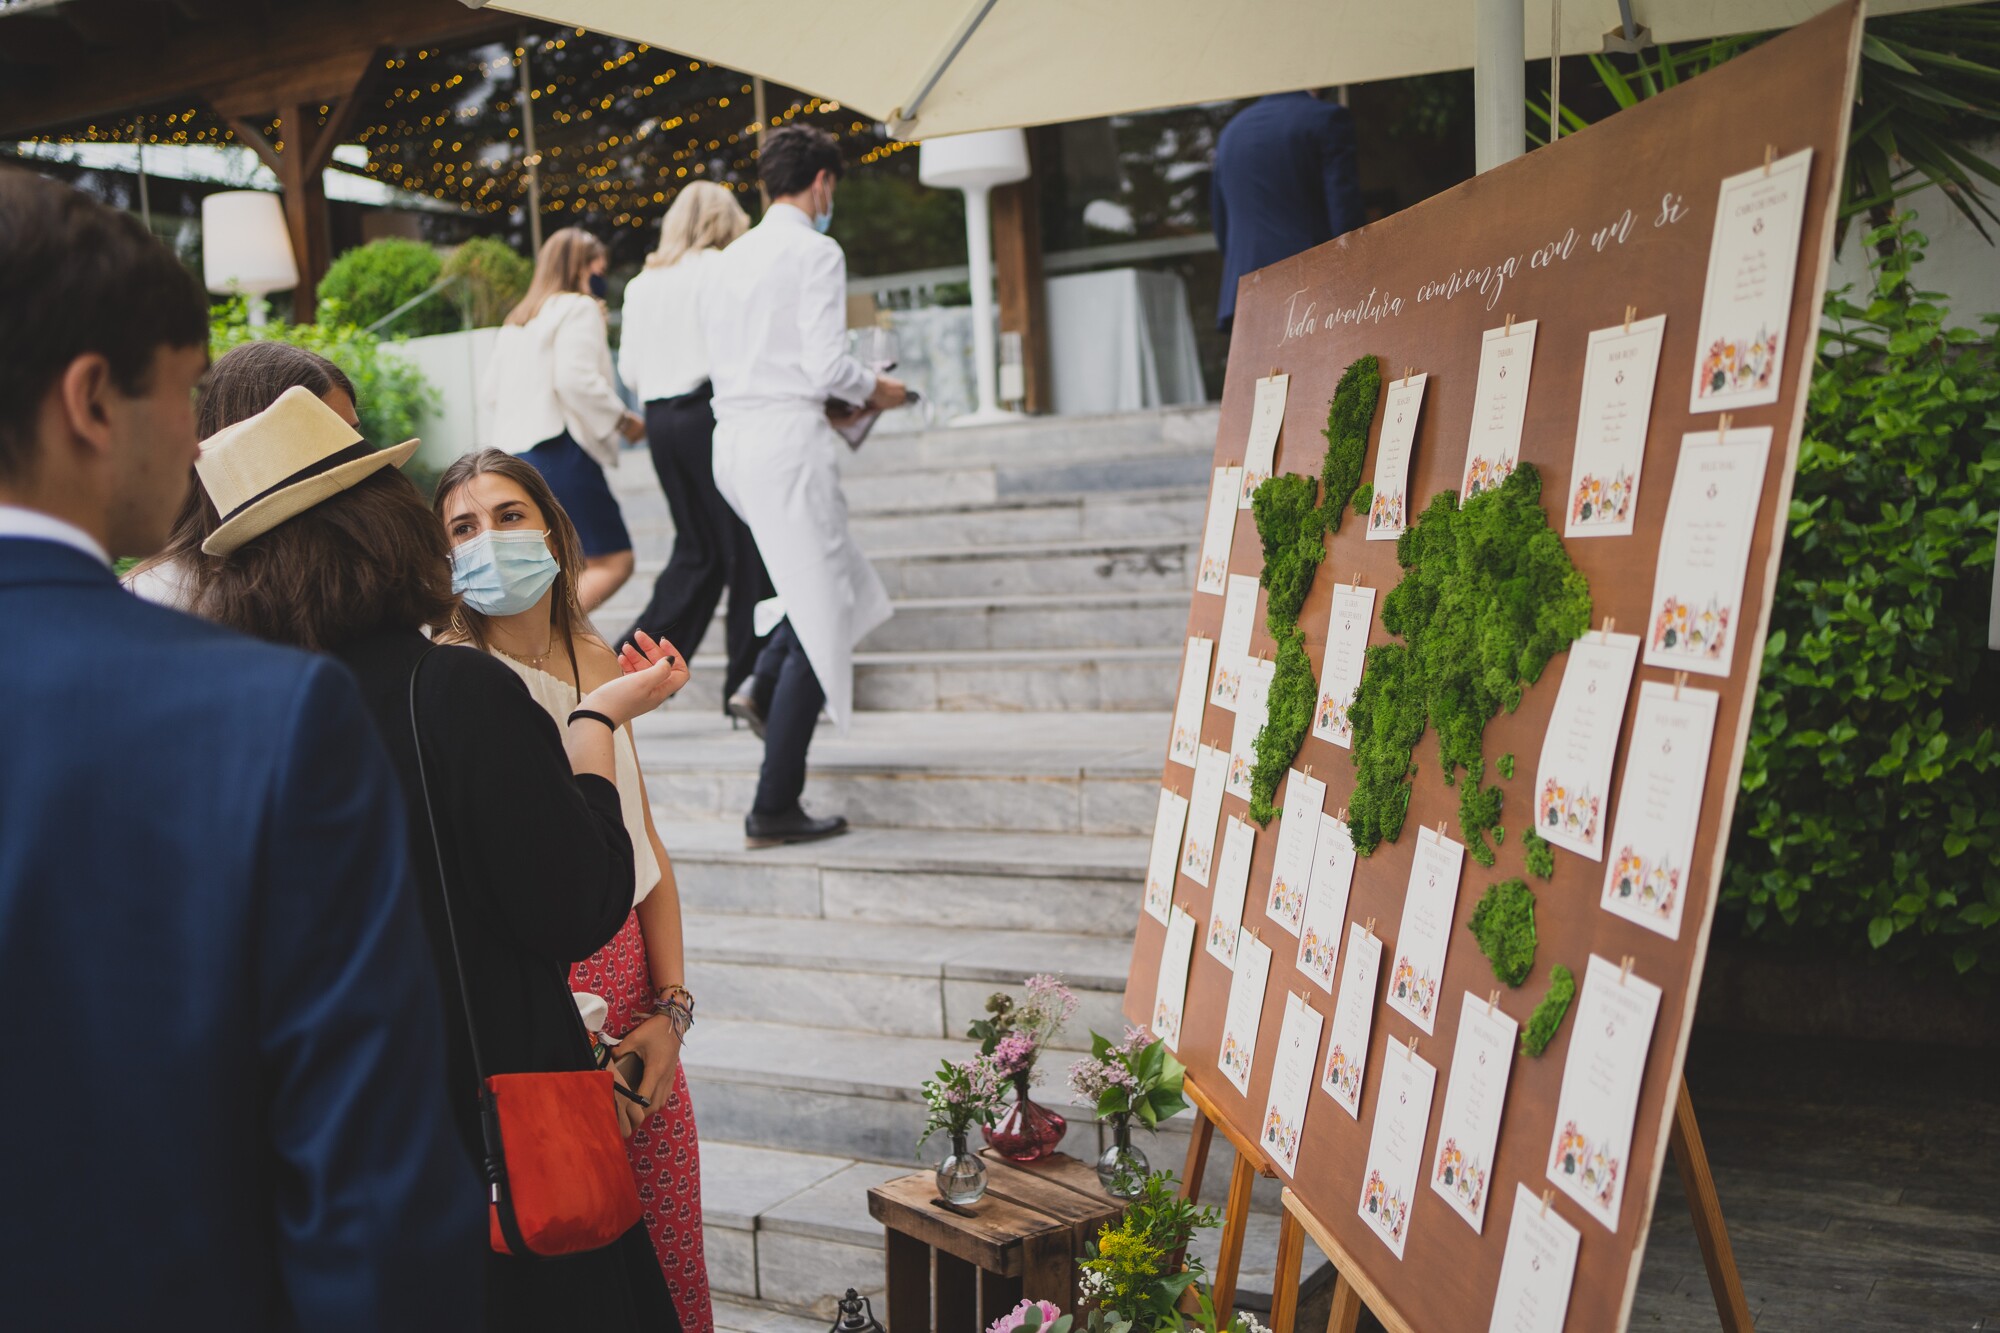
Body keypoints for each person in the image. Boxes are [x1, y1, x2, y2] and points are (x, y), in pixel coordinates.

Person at [0, 167, 484, 1327]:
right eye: (184, 390)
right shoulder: (265, 721)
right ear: (89, 400)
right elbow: (373, 1208)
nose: (197, 440)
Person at [191, 385, 686, 1331]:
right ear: (379, 529)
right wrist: (590, 727)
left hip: (337, 1150)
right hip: (497, 1141)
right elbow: (579, 902)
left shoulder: (240, 718)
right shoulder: (452, 690)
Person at [433, 448, 715, 1333]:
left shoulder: (598, 656)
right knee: (584, 1266)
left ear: (553, 528)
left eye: (509, 516)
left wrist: (670, 1011)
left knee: (672, 1258)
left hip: (638, 990)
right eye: (463, 528)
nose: (490, 540)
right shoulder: (449, 682)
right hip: (544, 996)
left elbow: (647, 848)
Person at [701, 124, 908, 848]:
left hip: (733, 444)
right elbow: (826, 366)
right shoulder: (817, 251)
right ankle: (773, 801)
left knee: (831, 585)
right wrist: (878, 388)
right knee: (823, 608)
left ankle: (761, 681)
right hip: (787, 444)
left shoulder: (725, 262)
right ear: (822, 182)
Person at [619, 181, 775, 710]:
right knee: (743, 549)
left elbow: (629, 371)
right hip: (709, 413)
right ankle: (753, 684)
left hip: (661, 421)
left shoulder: (642, 283)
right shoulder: (722, 268)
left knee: (698, 550)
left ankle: (630, 665)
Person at [124, 340, 359, 609]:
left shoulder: (368, 573)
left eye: (352, 434)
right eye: (323, 438)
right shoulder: (155, 600)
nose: (355, 455)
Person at [482, 226, 644, 612]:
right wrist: (624, 421)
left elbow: (490, 391)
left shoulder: (517, 320)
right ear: (582, 268)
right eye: (599, 269)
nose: (601, 278)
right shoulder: (578, 307)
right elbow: (576, 380)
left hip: (514, 459)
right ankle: (547, 636)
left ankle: (543, 648)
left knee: (552, 569)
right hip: (560, 449)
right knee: (613, 561)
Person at [1211, 90, 1365, 333]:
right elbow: (1345, 217)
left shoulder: (1231, 133)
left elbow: (1221, 229)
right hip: (1311, 291)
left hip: (1245, 301)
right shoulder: (1326, 118)